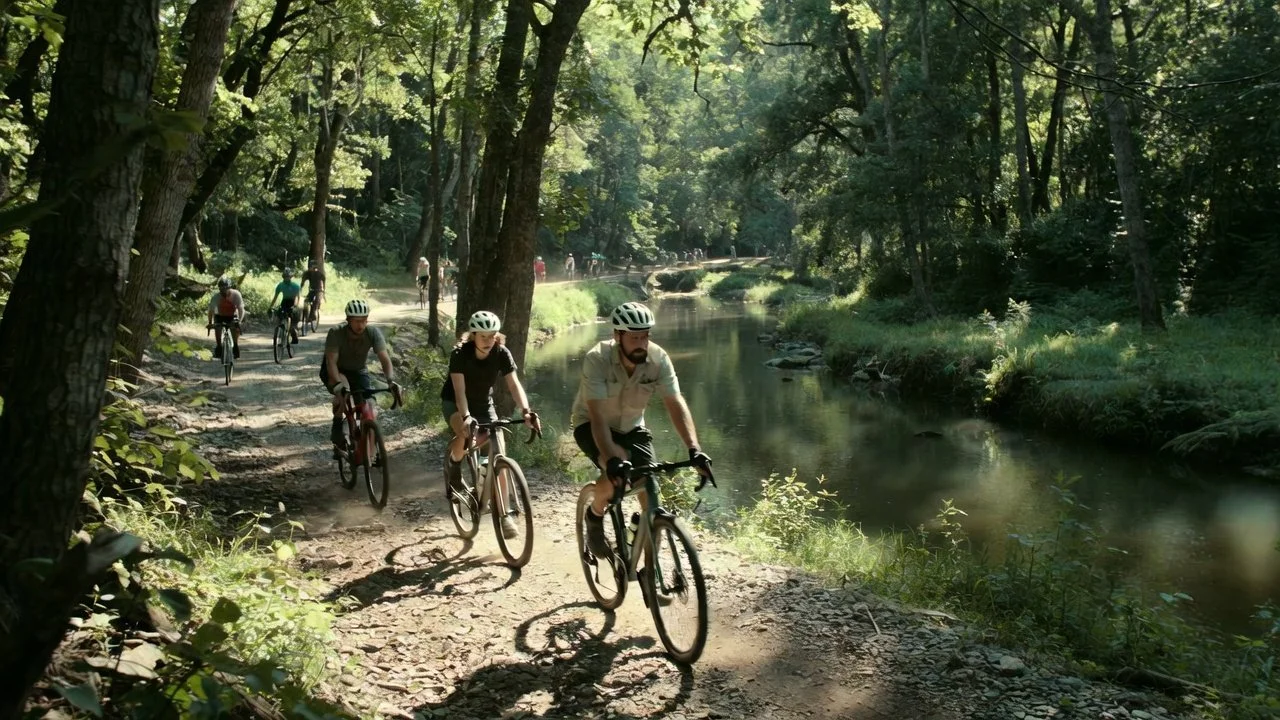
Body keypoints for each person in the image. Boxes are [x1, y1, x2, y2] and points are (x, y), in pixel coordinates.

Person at [572, 302, 712, 557]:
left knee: (649, 488)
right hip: (592, 424)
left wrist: (695, 449)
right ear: (618, 336)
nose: (641, 343)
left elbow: (674, 402)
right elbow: (598, 416)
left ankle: (650, 573)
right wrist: (613, 459)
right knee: (617, 474)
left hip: (634, 426)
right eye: (634, 337)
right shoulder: (597, 359)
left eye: (645, 336)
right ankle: (594, 515)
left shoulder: (658, 359)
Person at [441, 310, 541, 538]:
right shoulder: (459, 354)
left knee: (498, 454)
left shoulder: (501, 353)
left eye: (492, 335)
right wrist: (465, 416)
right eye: (483, 336)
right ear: (473, 335)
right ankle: (455, 464)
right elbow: (459, 392)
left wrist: (526, 411)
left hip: (484, 404)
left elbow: (514, 385)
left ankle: (505, 514)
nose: (488, 341)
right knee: (465, 433)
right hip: (456, 402)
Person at [321, 299, 399, 449]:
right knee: (343, 395)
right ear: (348, 320)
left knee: (368, 404)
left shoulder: (372, 332)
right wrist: (338, 386)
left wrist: (390, 380)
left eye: (364, 321)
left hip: (358, 371)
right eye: (357, 321)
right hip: (336, 370)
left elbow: (385, 359)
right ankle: (337, 424)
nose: (361, 325)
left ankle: (369, 443)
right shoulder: (336, 333)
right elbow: (331, 362)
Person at [206, 276, 245, 359]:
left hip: (233, 315)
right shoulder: (216, 297)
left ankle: (235, 346)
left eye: (226, 288)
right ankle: (219, 346)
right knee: (218, 328)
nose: (224, 290)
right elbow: (210, 311)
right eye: (221, 288)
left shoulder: (236, 294)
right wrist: (210, 323)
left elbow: (241, 308)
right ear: (219, 289)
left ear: (229, 287)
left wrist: (240, 321)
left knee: (235, 328)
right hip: (220, 316)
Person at [268, 268, 303, 344]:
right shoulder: (280, 285)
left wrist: (295, 306)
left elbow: (297, 297)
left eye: (288, 276)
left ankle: (294, 334)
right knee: (279, 316)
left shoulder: (295, 286)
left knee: (292, 322)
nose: (286, 278)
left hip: (293, 302)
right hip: (284, 302)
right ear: (283, 277)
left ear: (291, 277)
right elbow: (275, 297)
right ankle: (279, 332)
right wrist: (270, 307)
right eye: (285, 277)